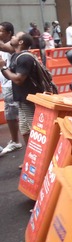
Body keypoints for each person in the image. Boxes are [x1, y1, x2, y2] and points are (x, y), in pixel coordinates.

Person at [0, 32, 41, 146]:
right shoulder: (15, 56)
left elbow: (18, 79)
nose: (12, 37)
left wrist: (3, 67)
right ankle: (30, 158)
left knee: (36, 130)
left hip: (28, 99)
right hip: (21, 100)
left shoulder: (25, 58)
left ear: (20, 42)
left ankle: (42, 159)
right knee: (25, 130)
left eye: (14, 37)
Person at [0, 22, 22, 157]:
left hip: (11, 84)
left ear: (9, 33)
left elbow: (5, 48)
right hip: (6, 83)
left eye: (1, 31)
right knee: (12, 113)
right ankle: (15, 140)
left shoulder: (12, 45)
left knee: (12, 113)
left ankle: (16, 141)